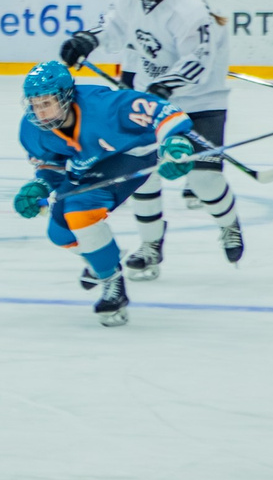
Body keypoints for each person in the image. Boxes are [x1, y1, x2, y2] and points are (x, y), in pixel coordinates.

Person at [58, 0, 242, 269]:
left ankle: (229, 225)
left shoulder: (188, 7)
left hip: (200, 100)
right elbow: (113, 26)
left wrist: (167, 85)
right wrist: (87, 39)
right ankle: (150, 245)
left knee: (203, 178)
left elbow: (199, 59)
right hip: (149, 98)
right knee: (142, 174)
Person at [14, 59, 198, 326]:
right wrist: (39, 186)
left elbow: (164, 110)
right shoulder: (32, 130)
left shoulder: (104, 106)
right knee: (59, 233)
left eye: (46, 103)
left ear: (66, 97)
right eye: (35, 104)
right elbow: (51, 166)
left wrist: (176, 142)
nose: (40, 112)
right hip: (89, 167)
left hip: (130, 154)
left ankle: (112, 283)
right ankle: (101, 256)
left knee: (80, 211)